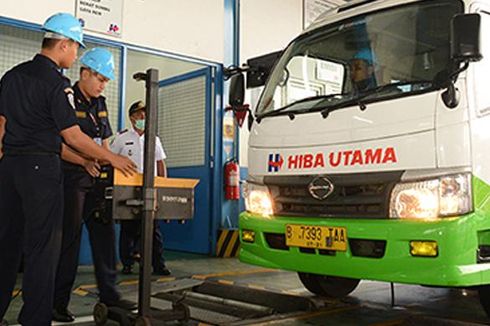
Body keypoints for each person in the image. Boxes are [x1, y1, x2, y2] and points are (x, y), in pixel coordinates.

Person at [0, 13, 136, 326]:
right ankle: (35, 318)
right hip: (42, 170)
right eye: (76, 48)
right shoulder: (56, 83)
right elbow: (71, 136)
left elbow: (2, 124)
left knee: (6, 245)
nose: (76, 55)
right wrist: (112, 158)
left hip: (9, 168)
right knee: (42, 249)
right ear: (63, 44)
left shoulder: (12, 76)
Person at [52, 48, 137, 322]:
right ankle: (57, 302)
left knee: (105, 235)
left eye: (106, 81)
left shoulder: (100, 104)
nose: (102, 85)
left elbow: (103, 144)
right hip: (69, 179)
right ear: (84, 73)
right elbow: (59, 144)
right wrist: (83, 162)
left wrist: (108, 165)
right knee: (70, 241)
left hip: (95, 180)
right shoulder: (65, 97)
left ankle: (110, 296)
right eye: (99, 78)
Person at [111, 101, 171, 276]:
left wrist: (163, 186)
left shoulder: (154, 138)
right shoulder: (121, 138)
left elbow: (160, 163)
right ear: (131, 118)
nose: (143, 117)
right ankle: (127, 263)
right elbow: (112, 159)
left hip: (150, 188)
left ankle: (158, 264)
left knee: (153, 230)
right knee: (128, 228)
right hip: (127, 188)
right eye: (139, 115)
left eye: (145, 114)